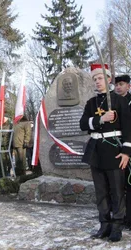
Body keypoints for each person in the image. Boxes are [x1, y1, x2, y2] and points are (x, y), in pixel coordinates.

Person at [80, 64, 131, 242]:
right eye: (95, 79)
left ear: (109, 79)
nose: (97, 81)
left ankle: (117, 225)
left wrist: (126, 152)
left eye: (100, 78)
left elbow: (128, 128)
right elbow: (83, 124)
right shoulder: (91, 103)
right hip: (96, 151)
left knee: (117, 191)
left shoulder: (119, 101)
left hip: (114, 151)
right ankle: (105, 224)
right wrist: (100, 119)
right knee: (101, 192)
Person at [114, 74, 131, 230]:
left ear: (128, 86)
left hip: (129, 148)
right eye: (116, 84)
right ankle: (121, 216)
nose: (118, 87)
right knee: (119, 184)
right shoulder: (112, 102)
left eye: (121, 84)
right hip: (116, 148)